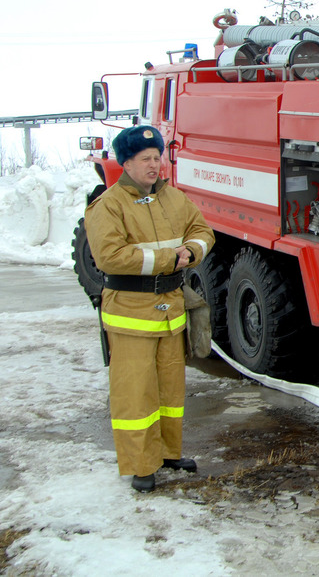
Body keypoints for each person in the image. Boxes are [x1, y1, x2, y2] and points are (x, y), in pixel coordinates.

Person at [85, 125, 215, 493]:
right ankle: (141, 465)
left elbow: (203, 231)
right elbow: (110, 256)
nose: (154, 165)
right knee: (135, 394)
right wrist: (169, 258)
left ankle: (168, 453)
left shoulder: (173, 198)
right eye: (145, 159)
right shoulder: (107, 205)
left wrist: (193, 250)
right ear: (126, 163)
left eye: (157, 157)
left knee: (169, 392)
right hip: (130, 314)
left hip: (170, 312)